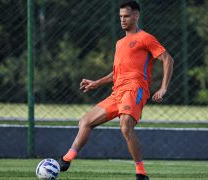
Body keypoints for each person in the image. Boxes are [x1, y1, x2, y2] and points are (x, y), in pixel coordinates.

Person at [58, 1, 174, 179]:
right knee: (85, 121)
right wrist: (97, 82)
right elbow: (118, 72)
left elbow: (168, 59)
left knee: (126, 126)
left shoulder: (145, 38)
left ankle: (141, 173)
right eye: (120, 16)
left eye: (126, 16)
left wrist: (163, 87)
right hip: (117, 92)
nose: (122, 20)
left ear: (136, 16)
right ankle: (66, 160)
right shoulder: (120, 42)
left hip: (135, 89)